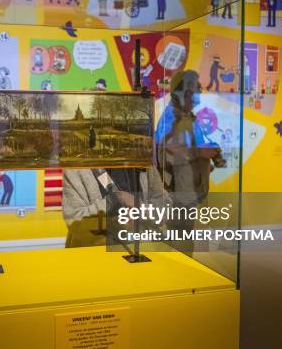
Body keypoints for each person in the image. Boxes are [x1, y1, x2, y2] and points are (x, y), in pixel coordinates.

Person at [155, 71, 225, 254]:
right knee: (181, 246)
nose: (200, 91)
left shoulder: (186, 117)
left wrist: (205, 159)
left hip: (188, 192)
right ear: (185, 93)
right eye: (197, 88)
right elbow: (164, 155)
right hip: (178, 195)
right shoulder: (171, 118)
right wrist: (200, 152)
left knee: (185, 243)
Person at [62, 167, 169, 248]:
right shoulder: (76, 169)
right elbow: (74, 222)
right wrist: (112, 204)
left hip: (142, 254)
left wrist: (140, 207)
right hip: (95, 261)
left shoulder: (143, 164)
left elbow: (165, 208)